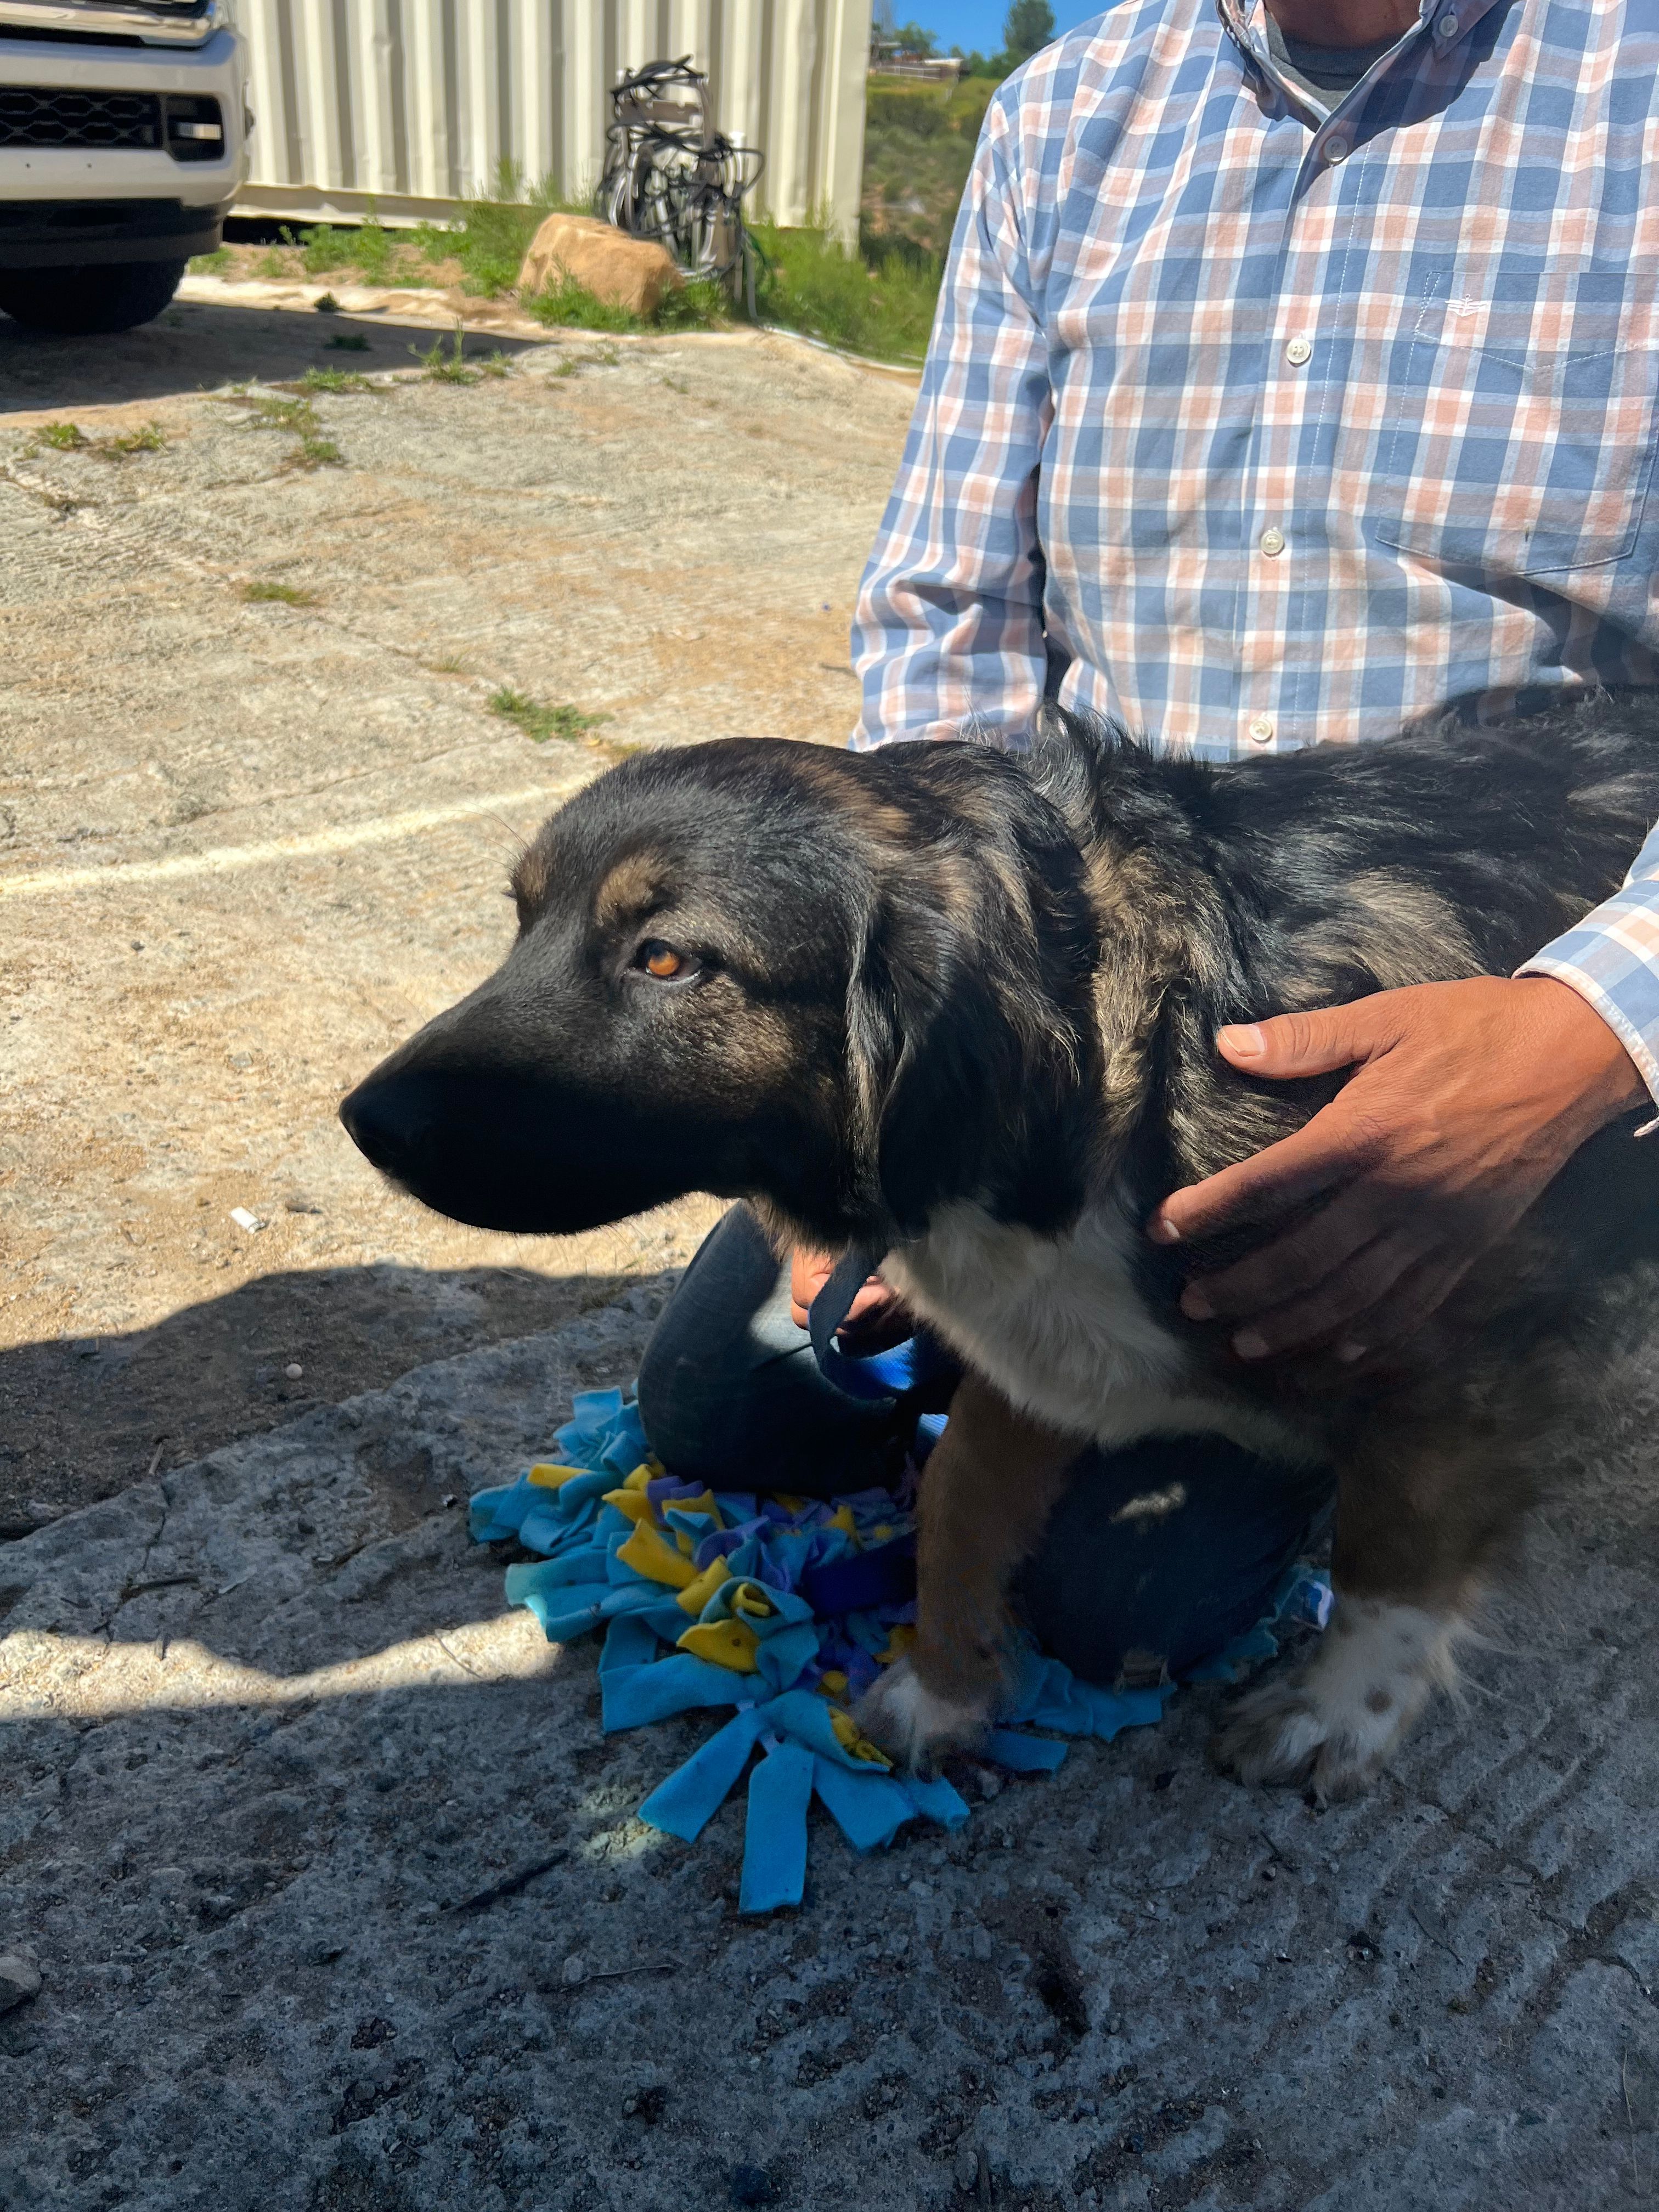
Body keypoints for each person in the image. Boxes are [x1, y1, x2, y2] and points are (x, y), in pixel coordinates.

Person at [638, 0, 1659, 1686]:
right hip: (1084, 973)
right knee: (733, 1402)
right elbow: (952, 614)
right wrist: (879, 1071)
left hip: (1474, 977)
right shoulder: (1070, 114)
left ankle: (1575, 1242)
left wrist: (1588, 1037)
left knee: (1120, 1611)